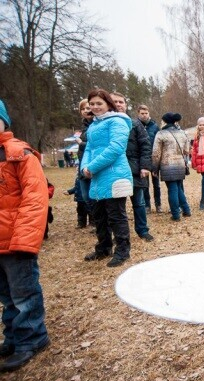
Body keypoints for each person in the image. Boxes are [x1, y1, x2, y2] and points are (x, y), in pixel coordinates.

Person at [0, 99, 51, 372]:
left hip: (16, 242)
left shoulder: (19, 154)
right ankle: (12, 337)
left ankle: (32, 338)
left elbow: (35, 199)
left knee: (23, 294)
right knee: (6, 296)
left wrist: (24, 239)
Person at [81, 89, 134, 268]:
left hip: (115, 175)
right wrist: (84, 167)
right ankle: (103, 248)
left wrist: (92, 167)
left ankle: (123, 251)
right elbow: (89, 149)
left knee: (116, 216)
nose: (95, 107)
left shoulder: (117, 121)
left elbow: (116, 148)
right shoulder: (93, 125)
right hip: (97, 177)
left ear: (108, 104)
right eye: (92, 104)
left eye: (99, 103)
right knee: (99, 216)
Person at [111, 93, 154, 242]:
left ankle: (143, 230)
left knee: (139, 203)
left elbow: (145, 145)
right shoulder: (106, 124)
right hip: (115, 172)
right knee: (117, 207)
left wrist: (145, 166)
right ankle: (120, 235)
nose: (118, 104)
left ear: (126, 105)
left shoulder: (135, 124)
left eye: (121, 102)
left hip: (134, 170)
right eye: (115, 101)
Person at [152, 112, 191, 221]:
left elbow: (156, 153)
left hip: (167, 165)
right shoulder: (182, 133)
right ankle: (186, 210)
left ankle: (175, 214)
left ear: (164, 121)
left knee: (172, 189)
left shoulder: (161, 134)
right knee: (178, 188)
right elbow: (187, 150)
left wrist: (154, 168)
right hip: (180, 164)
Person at [137, 105, 162, 213]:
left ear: (149, 113)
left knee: (156, 184)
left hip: (154, 159)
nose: (144, 115)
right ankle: (147, 205)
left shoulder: (155, 126)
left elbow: (159, 143)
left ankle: (158, 204)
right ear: (138, 114)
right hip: (142, 160)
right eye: (142, 113)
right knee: (145, 184)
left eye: (146, 113)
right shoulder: (136, 126)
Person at [76, 99, 95, 227]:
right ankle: (95, 220)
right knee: (85, 197)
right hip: (83, 164)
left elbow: (97, 145)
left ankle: (97, 222)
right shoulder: (83, 127)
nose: (86, 111)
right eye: (83, 109)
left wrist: (81, 144)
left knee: (94, 197)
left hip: (94, 164)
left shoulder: (98, 124)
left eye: (88, 108)